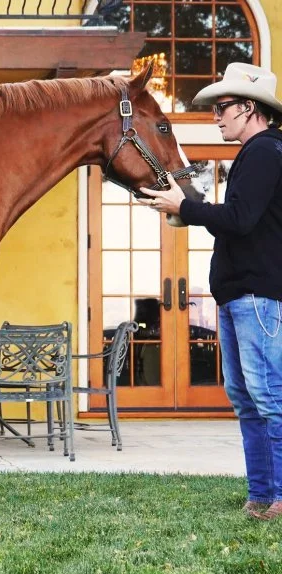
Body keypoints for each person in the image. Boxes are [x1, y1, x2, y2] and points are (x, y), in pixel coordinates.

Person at [139, 63, 282, 521]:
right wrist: (189, 209)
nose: (216, 116)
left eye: (223, 108)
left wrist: (186, 207)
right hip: (240, 297)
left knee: (270, 399)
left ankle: (278, 497)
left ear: (249, 108)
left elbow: (238, 219)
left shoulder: (265, 151)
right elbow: (240, 220)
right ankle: (261, 495)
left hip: (257, 298)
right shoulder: (256, 152)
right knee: (247, 400)